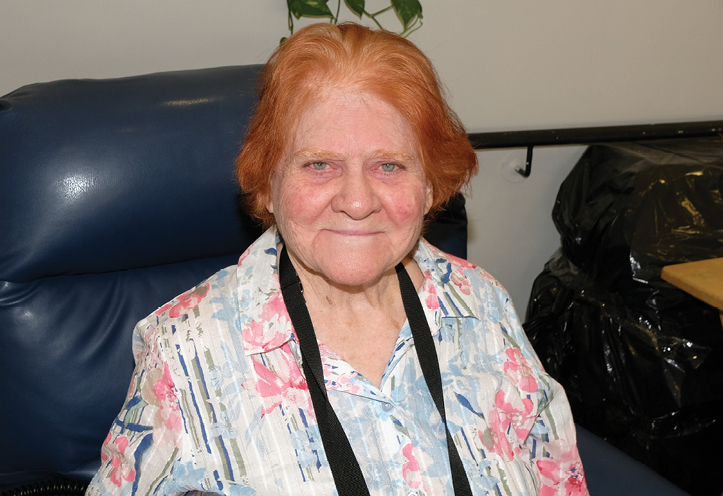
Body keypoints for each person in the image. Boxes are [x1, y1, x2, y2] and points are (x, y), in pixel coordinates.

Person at [86, 22, 587, 496]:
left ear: (430, 183)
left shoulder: (482, 306)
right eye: (320, 164)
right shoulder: (185, 350)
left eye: (389, 165)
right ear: (268, 182)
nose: (357, 200)